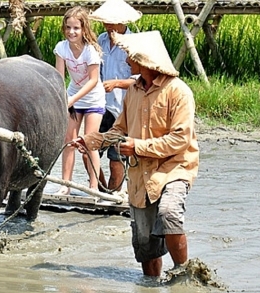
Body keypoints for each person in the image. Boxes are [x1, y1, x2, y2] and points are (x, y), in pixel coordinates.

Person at [70, 30, 199, 277]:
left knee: (169, 213)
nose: (127, 61)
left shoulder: (178, 91)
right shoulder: (134, 91)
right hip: (141, 173)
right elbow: (119, 130)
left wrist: (137, 147)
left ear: (145, 60)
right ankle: (150, 287)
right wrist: (91, 141)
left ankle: (184, 274)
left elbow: (180, 139)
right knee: (144, 242)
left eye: (130, 57)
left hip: (174, 168)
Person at [84, 0, 142, 193]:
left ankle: (113, 194)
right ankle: (100, 190)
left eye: (111, 21)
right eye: (105, 21)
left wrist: (117, 83)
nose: (107, 25)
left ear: (122, 21)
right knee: (87, 150)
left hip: (124, 109)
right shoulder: (100, 40)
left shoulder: (134, 44)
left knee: (116, 160)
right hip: (101, 107)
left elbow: (141, 80)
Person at [53, 6, 106, 195]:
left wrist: (72, 99)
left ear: (84, 29)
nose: (71, 32)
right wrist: (62, 98)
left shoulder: (91, 51)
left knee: (89, 141)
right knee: (68, 141)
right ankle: (65, 185)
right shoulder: (61, 48)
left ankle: (93, 186)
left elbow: (93, 81)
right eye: (68, 27)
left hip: (93, 98)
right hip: (73, 96)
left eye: (76, 28)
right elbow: (60, 77)